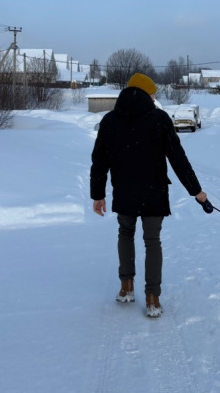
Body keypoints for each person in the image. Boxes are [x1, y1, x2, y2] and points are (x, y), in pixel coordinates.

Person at [90, 73, 207, 318]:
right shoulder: (159, 119)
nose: (154, 97)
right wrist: (196, 191)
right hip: (153, 192)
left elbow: (99, 161)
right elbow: (178, 159)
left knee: (125, 233)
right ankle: (153, 298)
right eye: (152, 93)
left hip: (124, 191)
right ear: (145, 93)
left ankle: (126, 287)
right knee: (152, 241)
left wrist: (98, 194)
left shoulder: (110, 120)